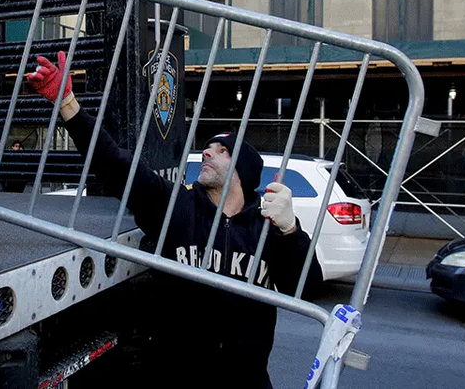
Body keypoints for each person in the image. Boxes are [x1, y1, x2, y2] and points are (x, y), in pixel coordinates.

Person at [26, 51, 323, 389]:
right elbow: (114, 163)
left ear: (243, 171)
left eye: (221, 151)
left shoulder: (264, 227)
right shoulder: (176, 206)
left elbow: (308, 289)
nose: (207, 152)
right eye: (207, 148)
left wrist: (291, 230)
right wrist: (68, 103)